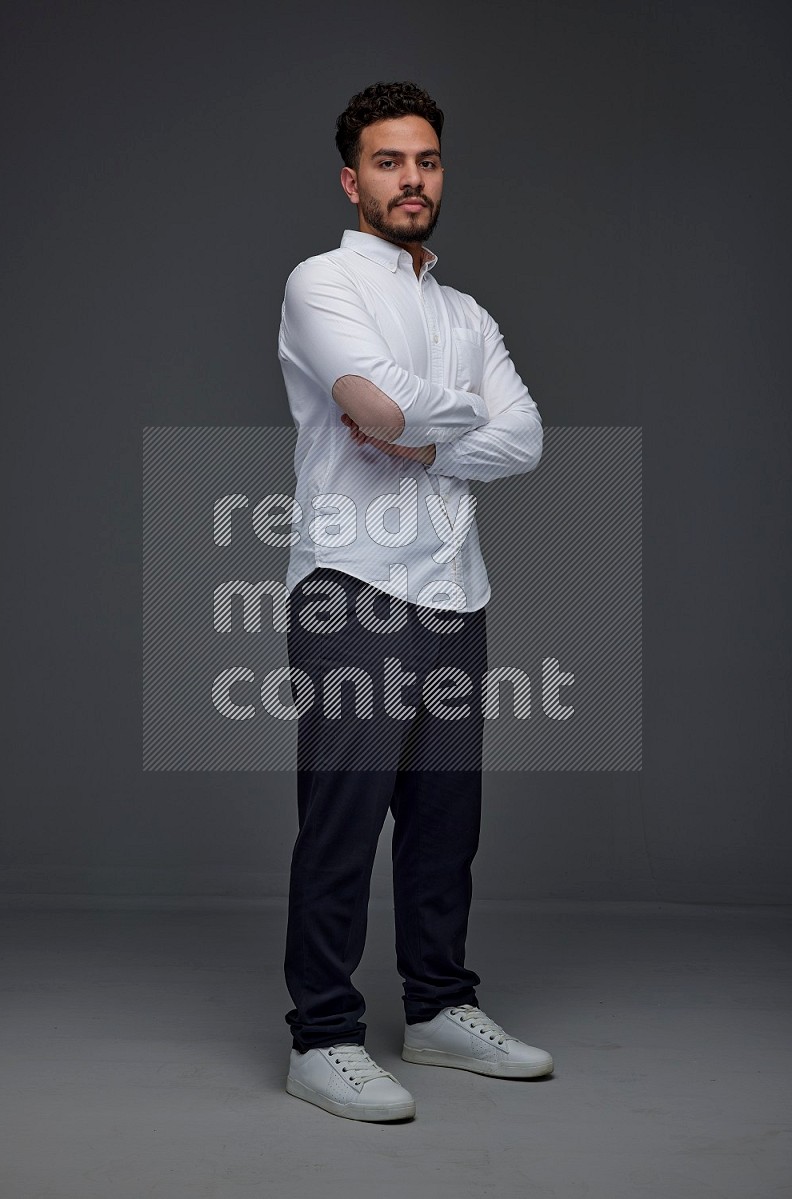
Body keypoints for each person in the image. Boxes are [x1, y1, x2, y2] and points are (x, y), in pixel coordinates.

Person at [277, 80, 552, 1122]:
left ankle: (436, 1007)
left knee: (445, 821)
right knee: (342, 821)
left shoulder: (465, 312)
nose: (411, 179)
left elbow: (520, 439)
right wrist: (440, 419)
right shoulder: (320, 283)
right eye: (389, 162)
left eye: (426, 161)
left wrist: (418, 431)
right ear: (352, 179)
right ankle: (322, 1035)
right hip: (352, 584)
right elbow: (370, 404)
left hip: (453, 589)